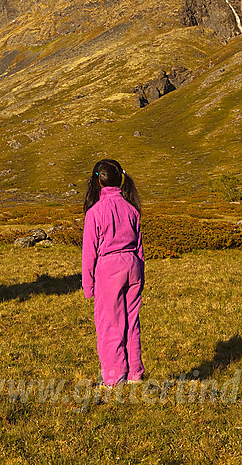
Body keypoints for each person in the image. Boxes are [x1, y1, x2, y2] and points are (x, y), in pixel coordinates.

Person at [81, 158, 145, 386]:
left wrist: (88, 286)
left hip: (109, 269)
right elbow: (139, 249)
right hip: (133, 266)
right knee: (131, 321)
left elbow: (89, 253)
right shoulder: (131, 209)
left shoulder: (95, 212)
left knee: (110, 323)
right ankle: (135, 373)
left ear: (97, 182)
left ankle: (113, 377)